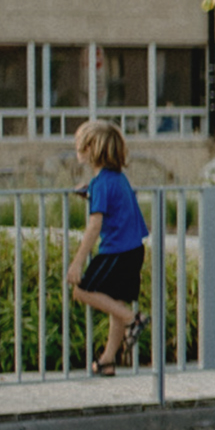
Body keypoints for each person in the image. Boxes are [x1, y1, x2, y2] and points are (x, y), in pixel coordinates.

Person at [68, 119, 147, 374]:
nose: (77, 149)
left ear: (92, 149)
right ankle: (107, 361)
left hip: (116, 250)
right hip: (134, 248)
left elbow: (94, 225)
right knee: (115, 302)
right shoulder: (116, 179)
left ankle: (132, 319)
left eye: (81, 145)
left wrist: (78, 262)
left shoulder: (101, 183)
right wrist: (89, 192)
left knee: (82, 291)